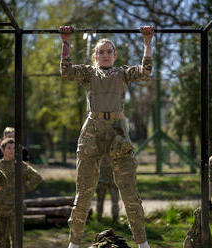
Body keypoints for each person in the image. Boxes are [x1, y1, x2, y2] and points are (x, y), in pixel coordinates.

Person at [60, 25, 154, 248]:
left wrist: (148, 43)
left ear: (114, 55)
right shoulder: (88, 73)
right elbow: (66, 71)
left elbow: (145, 70)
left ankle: (142, 243)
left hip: (117, 132)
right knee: (84, 191)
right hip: (92, 129)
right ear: (95, 56)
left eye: (108, 51)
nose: (104, 55)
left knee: (129, 191)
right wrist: (65, 43)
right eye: (100, 52)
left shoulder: (122, 73)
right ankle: (74, 243)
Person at [0, 137, 43, 248]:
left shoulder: (20, 166)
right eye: (9, 148)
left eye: (14, 148)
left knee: (17, 241)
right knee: (0, 242)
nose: (11, 150)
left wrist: (24, 188)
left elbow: (37, 178)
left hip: (15, 210)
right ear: (2, 149)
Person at [96, 155, 120, 223]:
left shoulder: (100, 148)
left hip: (102, 179)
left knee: (100, 201)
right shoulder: (115, 148)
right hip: (113, 180)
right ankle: (115, 220)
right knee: (115, 202)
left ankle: (99, 219)